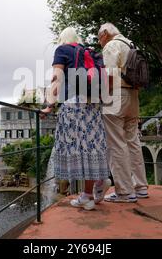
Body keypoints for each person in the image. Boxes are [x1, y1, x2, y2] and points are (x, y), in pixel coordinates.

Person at [40, 27, 110, 211]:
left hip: (73, 105)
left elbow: (57, 78)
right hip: (93, 105)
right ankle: (91, 190)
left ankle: (89, 193)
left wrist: (49, 105)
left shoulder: (62, 50)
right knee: (90, 147)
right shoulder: (87, 51)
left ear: (62, 39)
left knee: (76, 148)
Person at [98, 23, 149, 203]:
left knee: (116, 143)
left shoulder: (112, 45)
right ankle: (140, 186)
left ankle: (125, 192)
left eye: (99, 38)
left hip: (116, 96)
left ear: (105, 33)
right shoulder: (131, 44)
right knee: (133, 141)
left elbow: (110, 75)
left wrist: (104, 95)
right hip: (133, 96)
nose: (99, 43)